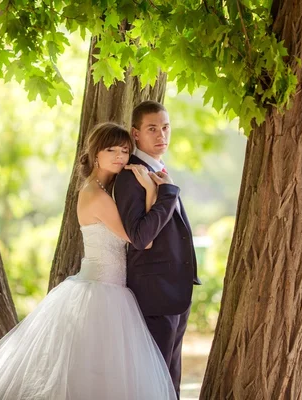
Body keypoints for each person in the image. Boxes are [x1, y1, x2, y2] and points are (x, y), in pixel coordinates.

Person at [0, 122, 179, 400]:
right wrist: (152, 193)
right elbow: (143, 239)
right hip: (101, 291)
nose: (120, 156)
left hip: (111, 289)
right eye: (111, 149)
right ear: (96, 153)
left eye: (124, 150)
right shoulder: (96, 196)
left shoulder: (103, 190)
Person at [114, 101, 201, 398]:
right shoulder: (131, 177)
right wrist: (165, 194)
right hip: (154, 293)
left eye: (165, 127)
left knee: (170, 378)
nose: (161, 135)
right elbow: (139, 237)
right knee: (155, 378)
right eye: (152, 129)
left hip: (175, 291)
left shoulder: (159, 170)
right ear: (135, 134)